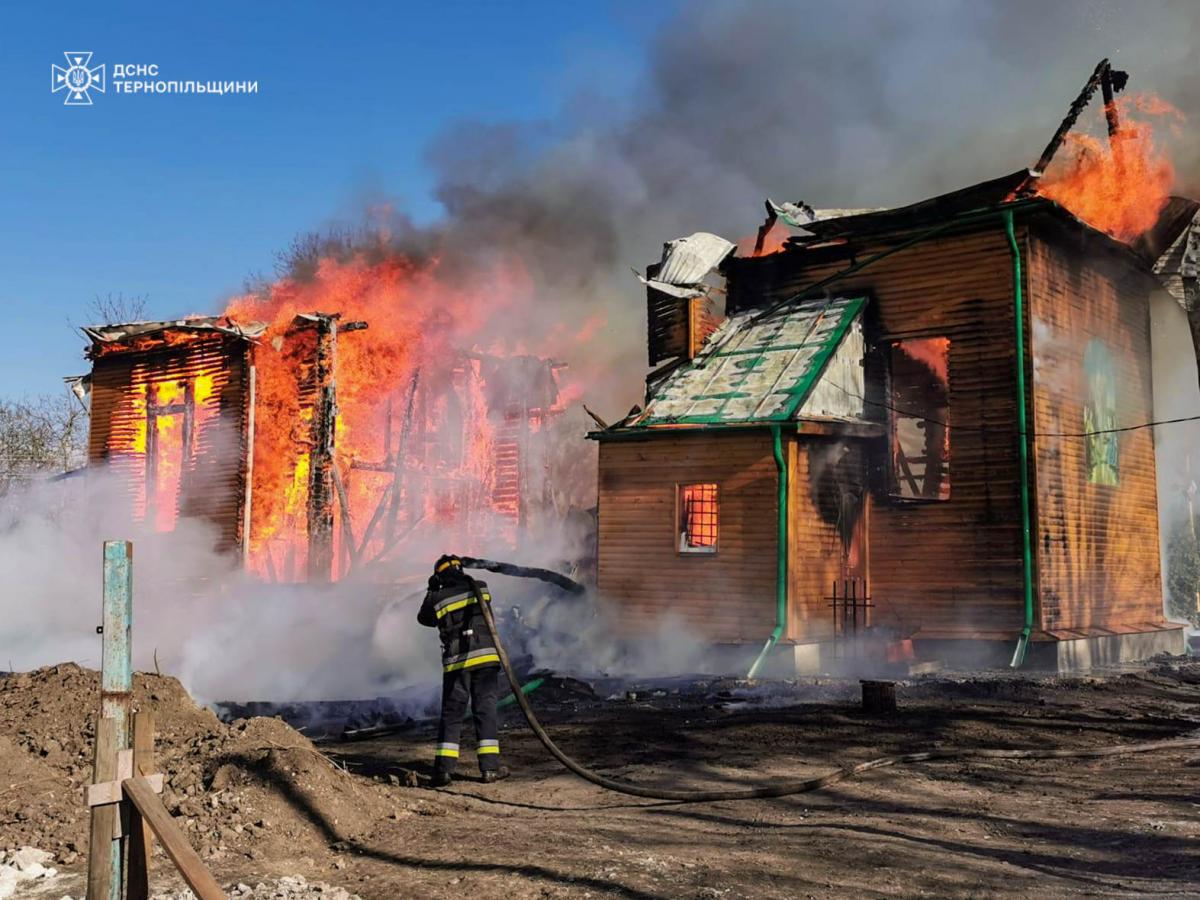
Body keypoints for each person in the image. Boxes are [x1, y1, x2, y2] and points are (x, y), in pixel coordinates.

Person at [417, 554, 510, 787]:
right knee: (485, 712)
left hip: (458, 664)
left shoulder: (438, 598)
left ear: (439, 576)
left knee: (452, 715)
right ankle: (489, 769)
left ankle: (443, 772)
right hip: (487, 660)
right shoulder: (481, 587)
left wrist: (431, 590)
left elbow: (424, 618)